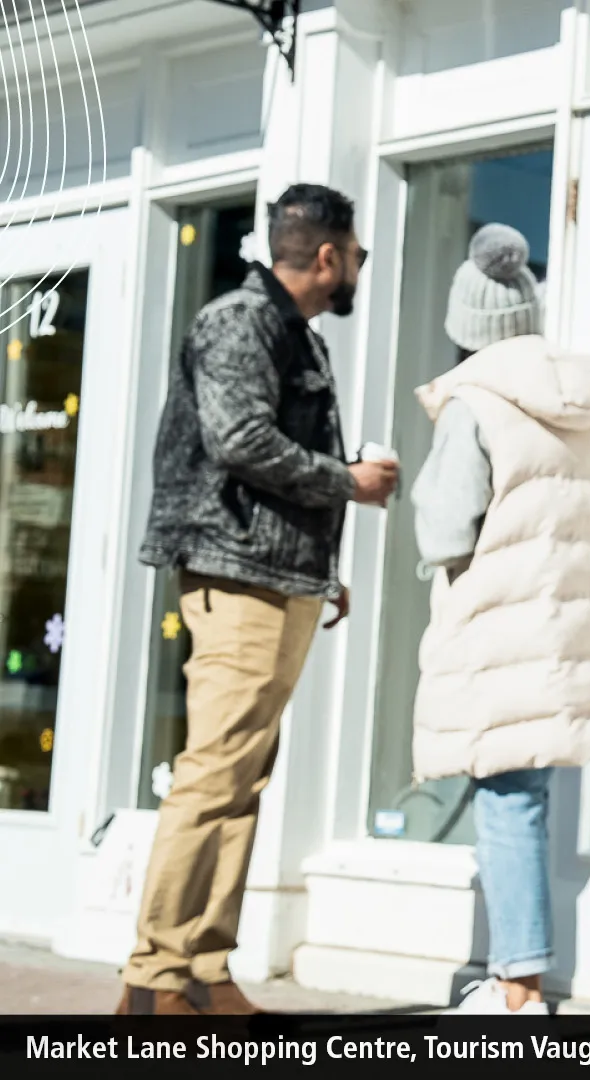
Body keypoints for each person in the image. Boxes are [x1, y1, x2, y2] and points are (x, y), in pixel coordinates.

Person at [125, 183, 398, 1015]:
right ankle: (151, 982)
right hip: (235, 571)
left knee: (242, 778)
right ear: (325, 256)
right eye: (354, 253)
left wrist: (323, 568)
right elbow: (239, 439)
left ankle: (203, 971)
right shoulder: (239, 321)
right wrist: (347, 482)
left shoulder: (295, 334)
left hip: (280, 574)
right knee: (212, 775)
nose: (357, 267)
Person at [410, 224, 590, 1015]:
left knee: (506, 797)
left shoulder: (473, 404)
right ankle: (518, 978)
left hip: (501, 630)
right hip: (568, 628)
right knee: (525, 795)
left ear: (465, 328)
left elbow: (443, 528)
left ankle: (517, 992)